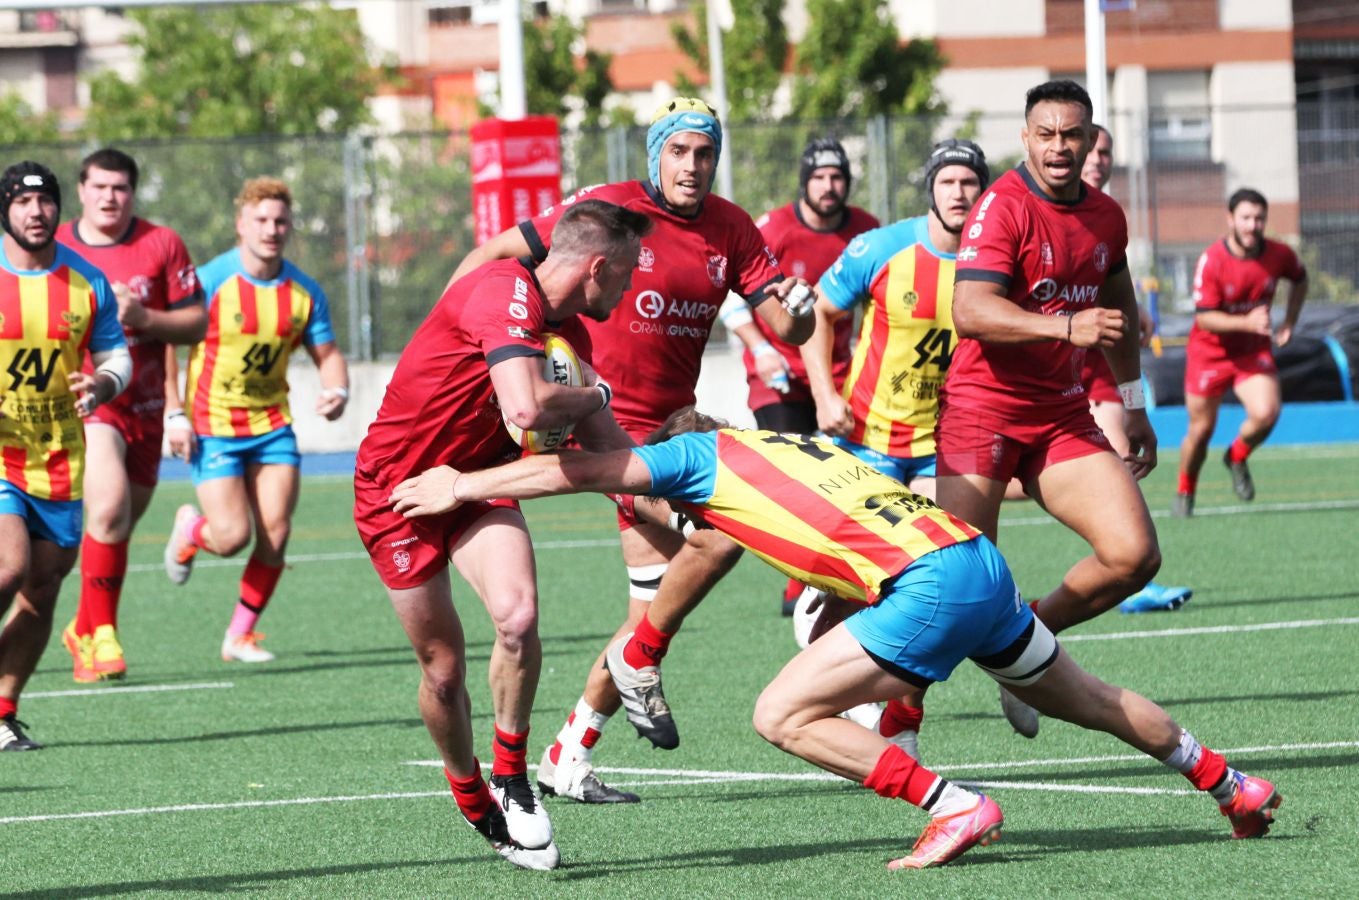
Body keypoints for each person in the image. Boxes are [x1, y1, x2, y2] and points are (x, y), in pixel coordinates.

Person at [391, 407, 1283, 869]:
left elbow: (582, 469)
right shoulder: (795, 445)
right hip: (970, 560)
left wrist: (463, 485)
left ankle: (952, 806)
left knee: (778, 712)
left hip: (926, 584)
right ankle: (1229, 783)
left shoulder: (697, 457)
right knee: (1086, 698)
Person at [449, 96, 814, 805]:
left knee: (650, 610)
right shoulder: (605, 212)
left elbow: (784, 328)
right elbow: (495, 256)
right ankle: (631, 678)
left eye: (704, 153)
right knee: (723, 542)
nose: (692, 165)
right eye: (678, 151)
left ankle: (570, 751)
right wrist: (462, 330)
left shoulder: (732, 227)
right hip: (604, 428)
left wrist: (800, 313)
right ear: (655, 155)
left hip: (676, 433)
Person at [356, 199, 652, 870]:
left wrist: (675, 491)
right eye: (628, 274)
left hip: (474, 482)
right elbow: (525, 406)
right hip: (396, 493)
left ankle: (512, 776)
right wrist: (597, 395)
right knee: (443, 670)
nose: (631, 289)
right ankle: (469, 792)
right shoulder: (499, 291)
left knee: (517, 618)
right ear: (597, 267)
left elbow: (607, 451)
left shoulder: (570, 337)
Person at [938, 80, 1161, 739]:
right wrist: (1065, 328)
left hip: (1060, 417)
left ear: (1092, 140)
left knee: (1133, 557)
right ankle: (894, 720)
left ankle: (1025, 645)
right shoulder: (999, 208)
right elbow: (969, 311)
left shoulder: (1105, 216)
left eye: (1072, 134)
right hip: (981, 413)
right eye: (1046, 134)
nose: (1059, 147)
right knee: (954, 588)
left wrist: (1133, 403)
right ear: (1025, 139)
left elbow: (1117, 318)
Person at [162, 177, 349, 664]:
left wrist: (338, 390)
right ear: (240, 224)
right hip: (213, 425)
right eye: (261, 220)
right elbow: (166, 345)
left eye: (280, 221)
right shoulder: (208, 281)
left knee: (277, 533)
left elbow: (328, 354)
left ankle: (238, 635)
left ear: (290, 226)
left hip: (272, 427)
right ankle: (190, 530)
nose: (271, 229)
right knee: (230, 538)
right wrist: (174, 413)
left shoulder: (304, 291)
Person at [56, 148, 206, 683]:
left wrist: (143, 316)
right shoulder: (58, 246)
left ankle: (84, 627)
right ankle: (102, 635)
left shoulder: (161, 243)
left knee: (116, 525)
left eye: (119, 188)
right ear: (81, 190)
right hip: (88, 404)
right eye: (99, 186)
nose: (109, 197)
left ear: (132, 193)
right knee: (110, 508)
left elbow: (195, 325)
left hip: (146, 406)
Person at [717, 136, 878, 616]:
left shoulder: (867, 230)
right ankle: (798, 583)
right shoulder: (774, 228)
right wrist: (763, 349)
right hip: (780, 373)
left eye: (837, 178)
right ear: (804, 181)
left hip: (840, 372)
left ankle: (856, 570)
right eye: (820, 177)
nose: (829, 187)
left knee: (852, 475)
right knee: (791, 473)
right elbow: (732, 295)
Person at [0, 162, 130, 750]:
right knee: (9, 567)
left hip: (58, 457)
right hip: (2, 457)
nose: (36, 212)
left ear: (59, 208)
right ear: (6, 209)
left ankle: (2, 710)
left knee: (44, 588)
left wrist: (101, 384)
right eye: (24, 202)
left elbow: (116, 356)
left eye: (45, 202)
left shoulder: (87, 283)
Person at [1077, 127, 1192, 613]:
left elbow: (1113, 282)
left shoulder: (1107, 215)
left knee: (1122, 454)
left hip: (1100, 361)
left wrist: (1132, 315)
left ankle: (1129, 575)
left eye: (1107, 152)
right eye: (1094, 150)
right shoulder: (1034, 208)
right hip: (1052, 355)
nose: (1100, 159)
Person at [1174, 188, 1308, 517]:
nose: (1252, 225)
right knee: (1201, 431)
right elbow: (1204, 317)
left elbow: (1300, 279)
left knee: (1267, 412)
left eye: (1259, 218)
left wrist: (1289, 321)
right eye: (1246, 218)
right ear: (1231, 219)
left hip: (1251, 353)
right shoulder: (1212, 261)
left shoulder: (1279, 255)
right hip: (1209, 354)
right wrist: (1247, 321)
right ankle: (1185, 490)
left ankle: (1236, 456)